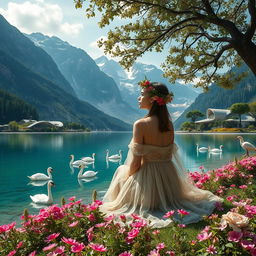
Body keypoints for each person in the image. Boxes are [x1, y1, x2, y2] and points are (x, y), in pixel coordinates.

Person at [100, 80, 223, 228]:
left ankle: (128, 200)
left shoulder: (140, 124)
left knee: (121, 171)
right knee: (123, 172)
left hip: (147, 192)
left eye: (141, 95)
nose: (138, 98)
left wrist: (127, 180)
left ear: (152, 99)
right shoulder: (169, 124)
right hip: (170, 186)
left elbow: (135, 163)